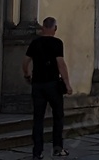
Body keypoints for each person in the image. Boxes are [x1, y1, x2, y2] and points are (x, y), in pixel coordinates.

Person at [22, 16, 73, 159]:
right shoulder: (57, 43)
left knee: (38, 118)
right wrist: (67, 84)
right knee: (58, 117)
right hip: (53, 85)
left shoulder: (35, 43)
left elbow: (25, 61)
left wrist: (27, 75)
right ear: (55, 29)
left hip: (37, 84)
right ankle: (58, 148)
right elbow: (60, 64)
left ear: (42, 27)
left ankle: (37, 152)